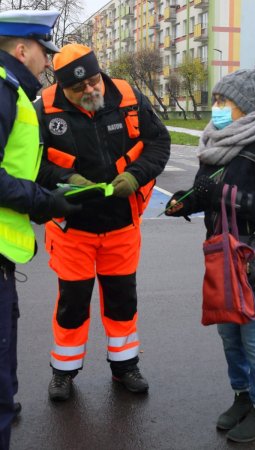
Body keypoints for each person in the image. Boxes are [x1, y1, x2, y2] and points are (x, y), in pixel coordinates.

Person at [165, 61, 255, 443]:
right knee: (228, 335)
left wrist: (222, 195)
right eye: (216, 99)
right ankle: (241, 396)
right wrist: (184, 203)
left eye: (225, 101)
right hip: (221, 255)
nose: (217, 106)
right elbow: (204, 192)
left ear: (247, 106)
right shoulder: (214, 143)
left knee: (254, 336)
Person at [34, 43, 171, 401]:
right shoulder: (43, 110)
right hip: (72, 229)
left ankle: (124, 366)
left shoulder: (127, 95)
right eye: (78, 88)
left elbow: (159, 142)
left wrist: (136, 176)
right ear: (62, 87)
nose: (90, 91)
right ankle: (64, 371)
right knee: (73, 303)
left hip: (122, 224)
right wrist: (66, 179)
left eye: (93, 81)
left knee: (122, 300)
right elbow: (31, 164)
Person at [0, 10, 81, 450]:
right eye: (44, 53)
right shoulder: (3, 89)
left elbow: (18, 166)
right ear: (21, 49)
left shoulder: (13, 92)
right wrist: (44, 203)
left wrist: (54, 185)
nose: (48, 63)